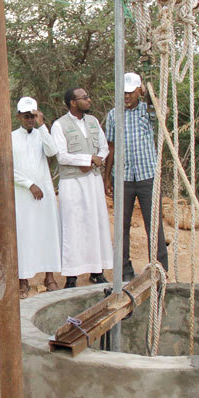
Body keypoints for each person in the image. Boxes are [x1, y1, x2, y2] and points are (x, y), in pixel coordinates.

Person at [104, 72, 169, 281]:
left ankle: (159, 269)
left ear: (138, 92)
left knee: (153, 224)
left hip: (147, 176)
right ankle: (124, 271)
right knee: (121, 225)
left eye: (130, 92)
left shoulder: (147, 111)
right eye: (123, 93)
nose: (126, 97)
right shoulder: (114, 115)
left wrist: (149, 91)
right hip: (122, 177)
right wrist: (107, 177)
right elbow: (111, 146)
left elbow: (163, 112)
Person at [51, 87, 112, 288]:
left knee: (96, 224)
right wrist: (87, 158)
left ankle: (97, 271)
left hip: (93, 180)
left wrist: (95, 160)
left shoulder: (93, 122)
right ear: (72, 103)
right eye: (84, 98)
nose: (89, 100)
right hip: (72, 183)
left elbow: (104, 148)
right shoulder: (59, 125)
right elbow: (61, 155)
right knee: (74, 227)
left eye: (88, 96)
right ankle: (71, 275)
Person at [11, 97, 61, 294]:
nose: (29, 119)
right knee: (24, 234)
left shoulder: (42, 133)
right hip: (22, 194)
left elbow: (52, 151)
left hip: (45, 193)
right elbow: (9, 167)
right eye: (26, 116)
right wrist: (29, 184)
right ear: (18, 116)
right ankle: (23, 279)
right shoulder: (11, 137)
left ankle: (49, 276)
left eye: (32, 115)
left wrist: (42, 127)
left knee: (47, 232)